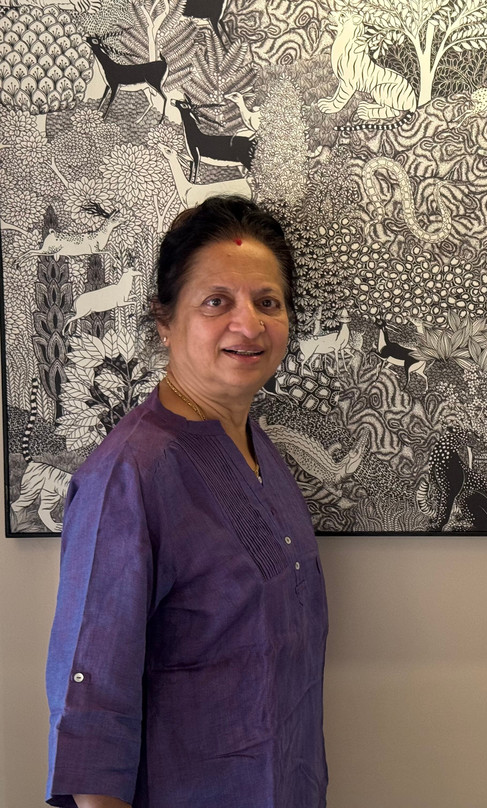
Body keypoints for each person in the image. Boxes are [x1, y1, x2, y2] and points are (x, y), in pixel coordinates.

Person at [45, 197, 329, 808]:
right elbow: (91, 703)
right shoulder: (129, 476)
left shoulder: (258, 449)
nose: (249, 325)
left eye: (268, 302)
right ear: (165, 320)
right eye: (216, 302)